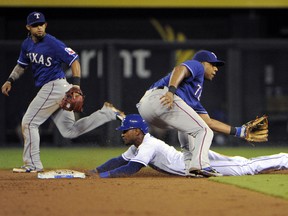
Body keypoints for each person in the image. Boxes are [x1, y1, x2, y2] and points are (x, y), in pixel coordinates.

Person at [1, 12, 125, 173]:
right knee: (69, 131)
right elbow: (21, 65)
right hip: (53, 88)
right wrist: (10, 80)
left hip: (55, 86)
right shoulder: (26, 45)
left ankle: (32, 164)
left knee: (29, 122)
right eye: (35, 25)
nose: (39, 28)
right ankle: (107, 113)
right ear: (28, 27)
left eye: (42, 24)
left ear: (45, 25)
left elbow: (74, 60)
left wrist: (76, 86)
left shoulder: (52, 43)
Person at [136, 50, 249, 177]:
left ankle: (190, 168)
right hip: (162, 98)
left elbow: (208, 122)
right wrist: (171, 91)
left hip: (148, 108)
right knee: (204, 131)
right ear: (203, 62)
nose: (216, 69)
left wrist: (240, 132)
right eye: (213, 64)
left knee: (192, 129)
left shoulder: (193, 98)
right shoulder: (198, 65)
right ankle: (201, 165)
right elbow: (179, 69)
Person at [91, 114, 288, 178]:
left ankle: (283, 159)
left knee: (245, 168)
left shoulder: (147, 146)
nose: (123, 133)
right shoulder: (138, 145)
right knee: (241, 162)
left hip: (192, 163)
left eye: (125, 130)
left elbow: (132, 168)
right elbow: (120, 160)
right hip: (190, 158)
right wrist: (96, 170)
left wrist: (102, 177)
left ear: (137, 132)